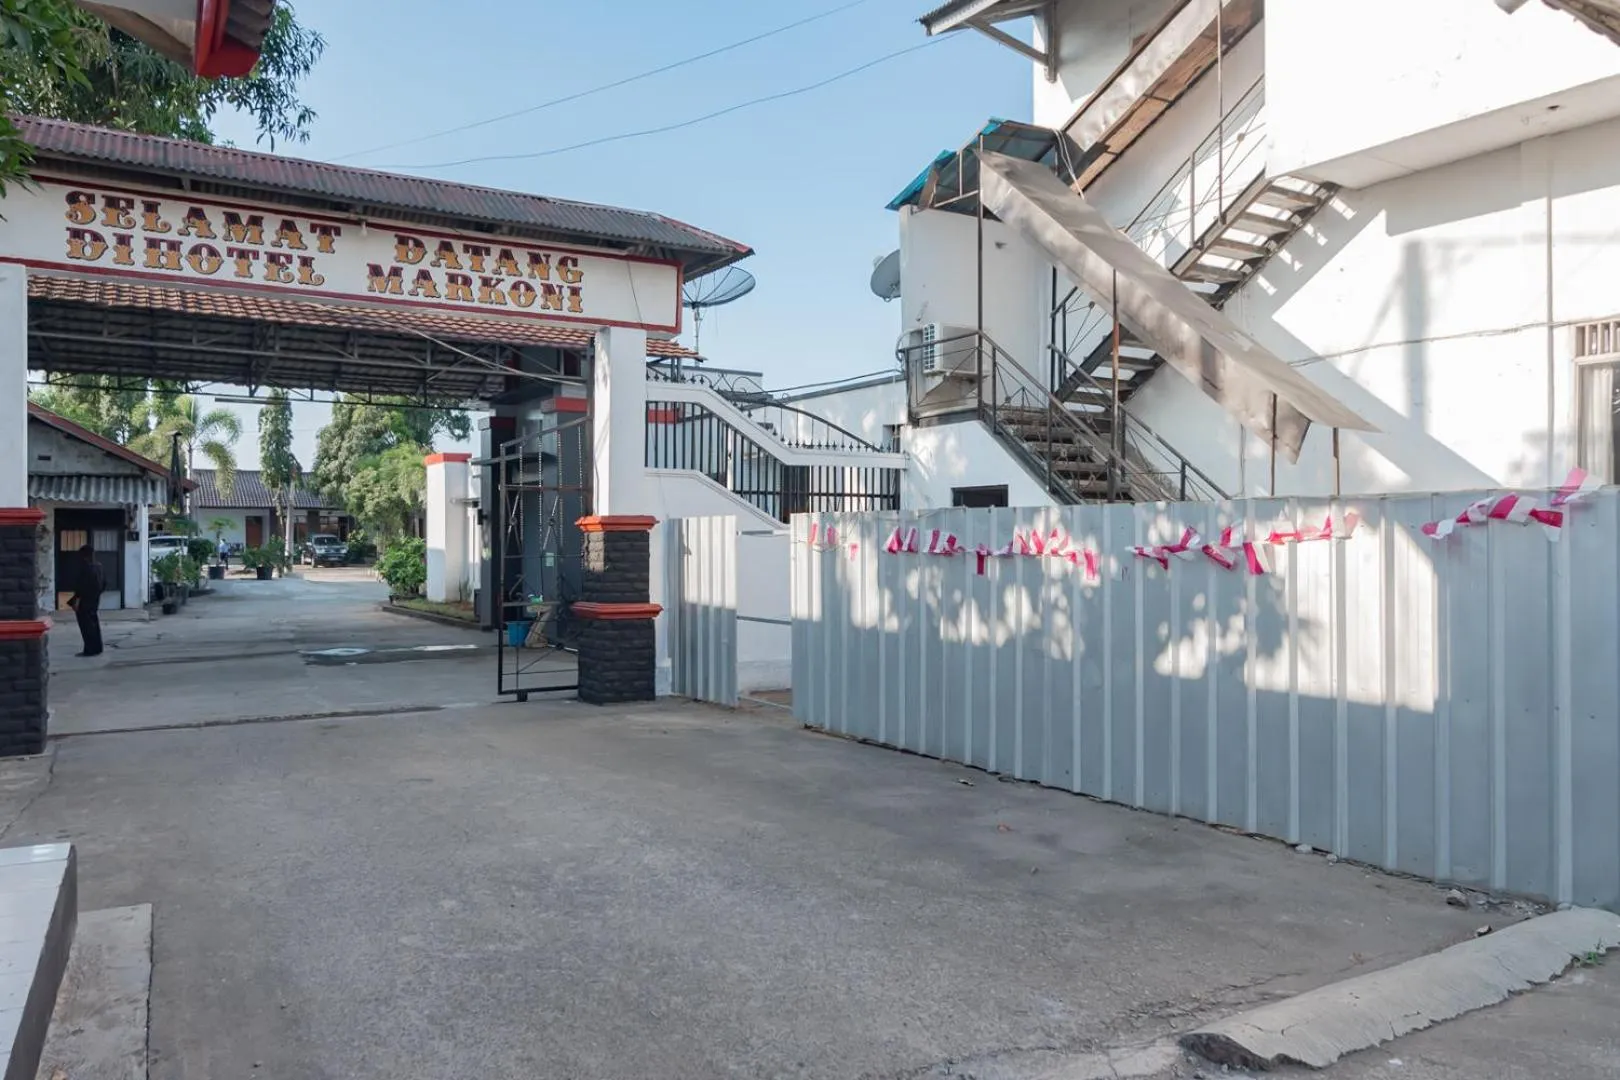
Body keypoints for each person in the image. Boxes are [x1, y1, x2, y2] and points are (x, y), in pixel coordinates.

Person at [67, 543, 105, 658]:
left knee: (86, 626)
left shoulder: (85, 568)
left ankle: (89, 649)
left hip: (84, 601)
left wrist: (76, 601)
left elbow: (81, 587)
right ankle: (97, 647)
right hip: (94, 600)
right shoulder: (99, 567)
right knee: (94, 624)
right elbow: (104, 583)